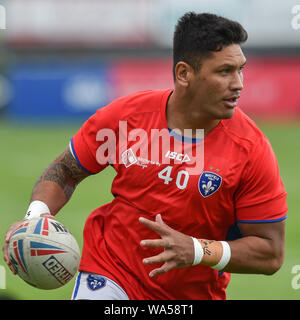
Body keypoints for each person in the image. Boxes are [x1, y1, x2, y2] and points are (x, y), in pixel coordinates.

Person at [3, 12, 287, 300]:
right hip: (110, 274)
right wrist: (34, 217)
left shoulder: (251, 149)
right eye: (224, 71)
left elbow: (270, 253)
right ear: (184, 73)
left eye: (241, 69)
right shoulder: (126, 117)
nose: (238, 83)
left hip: (190, 294)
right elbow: (65, 171)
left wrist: (198, 250)